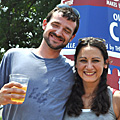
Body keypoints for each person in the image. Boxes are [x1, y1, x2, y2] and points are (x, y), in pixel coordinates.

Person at [0, 4, 80, 120]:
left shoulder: (72, 70)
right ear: (44, 24)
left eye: (66, 31)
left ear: (71, 38)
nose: (58, 33)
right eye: (55, 25)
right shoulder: (13, 56)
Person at [64, 37, 120, 120]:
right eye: (83, 60)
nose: (89, 67)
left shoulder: (116, 99)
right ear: (76, 63)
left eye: (95, 61)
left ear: (105, 63)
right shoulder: (63, 97)